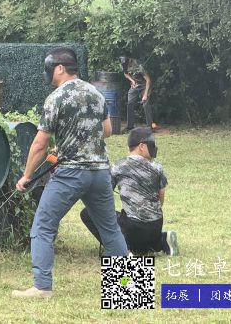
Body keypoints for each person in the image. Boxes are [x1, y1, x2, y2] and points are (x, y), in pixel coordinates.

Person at [12, 47, 129, 299]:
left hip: (70, 174)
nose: (47, 73)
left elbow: (40, 144)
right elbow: (107, 131)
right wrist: (75, 140)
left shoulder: (56, 98)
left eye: (49, 68)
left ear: (60, 68)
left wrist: (26, 176)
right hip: (100, 172)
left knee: (43, 227)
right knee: (110, 230)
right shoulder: (96, 93)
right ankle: (129, 289)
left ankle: (42, 287)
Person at [80, 127, 178, 256]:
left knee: (87, 213)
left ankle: (122, 249)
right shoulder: (158, 168)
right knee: (143, 244)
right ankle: (162, 240)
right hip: (156, 226)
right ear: (141, 146)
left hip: (132, 229)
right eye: (152, 144)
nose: (154, 147)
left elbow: (105, 194)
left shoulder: (118, 167)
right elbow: (161, 199)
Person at [121, 55, 156, 131]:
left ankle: (149, 127)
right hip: (135, 85)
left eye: (126, 63)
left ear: (129, 60)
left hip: (144, 85)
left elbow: (148, 80)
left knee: (145, 104)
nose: (125, 65)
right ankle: (130, 126)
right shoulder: (124, 64)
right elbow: (125, 74)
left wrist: (145, 94)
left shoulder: (138, 66)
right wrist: (132, 81)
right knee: (130, 103)